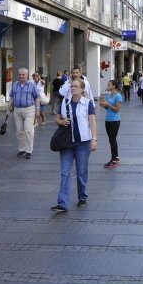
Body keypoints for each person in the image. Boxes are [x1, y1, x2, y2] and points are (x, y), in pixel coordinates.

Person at [52, 78, 97, 211]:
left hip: (83, 143)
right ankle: (62, 203)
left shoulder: (87, 103)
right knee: (65, 172)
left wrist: (94, 140)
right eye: (72, 86)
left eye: (76, 86)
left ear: (82, 89)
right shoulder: (65, 102)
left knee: (81, 172)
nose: (73, 88)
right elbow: (57, 118)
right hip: (67, 143)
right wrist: (61, 122)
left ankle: (82, 196)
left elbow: (92, 122)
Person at [6, 67, 41, 159]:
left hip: (29, 109)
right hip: (17, 110)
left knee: (28, 130)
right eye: (20, 74)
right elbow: (12, 98)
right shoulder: (15, 85)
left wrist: (38, 110)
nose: (21, 76)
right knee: (19, 131)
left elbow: (36, 97)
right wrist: (7, 109)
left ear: (27, 75)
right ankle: (22, 149)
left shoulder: (31, 85)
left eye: (23, 75)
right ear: (18, 75)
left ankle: (29, 150)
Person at [99, 79, 122, 168]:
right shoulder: (108, 96)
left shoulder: (118, 96)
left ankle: (114, 159)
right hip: (107, 120)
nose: (107, 86)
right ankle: (115, 158)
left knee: (112, 139)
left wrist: (107, 105)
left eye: (109, 85)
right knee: (111, 139)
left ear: (114, 86)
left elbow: (117, 110)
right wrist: (104, 105)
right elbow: (107, 108)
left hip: (115, 120)